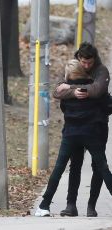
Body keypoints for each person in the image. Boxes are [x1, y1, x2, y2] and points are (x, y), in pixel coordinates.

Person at [35, 56, 112, 217]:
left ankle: (44, 205)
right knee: (102, 168)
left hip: (71, 135)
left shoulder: (65, 91)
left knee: (60, 168)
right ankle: (84, 207)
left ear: (69, 75)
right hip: (92, 134)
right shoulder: (94, 90)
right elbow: (107, 106)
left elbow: (63, 106)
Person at [53, 42, 110, 217]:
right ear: (78, 58)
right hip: (75, 126)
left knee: (98, 166)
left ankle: (91, 206)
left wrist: (70, 88)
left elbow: (96, 90)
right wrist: (71, 91)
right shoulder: (73, 66)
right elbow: (57, 91)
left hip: (97, 125)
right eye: (83, 62)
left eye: (89, 63)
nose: (85, 66)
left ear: (94, 60)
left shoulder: (101, 71)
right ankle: (71, 205)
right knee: (75, 165)